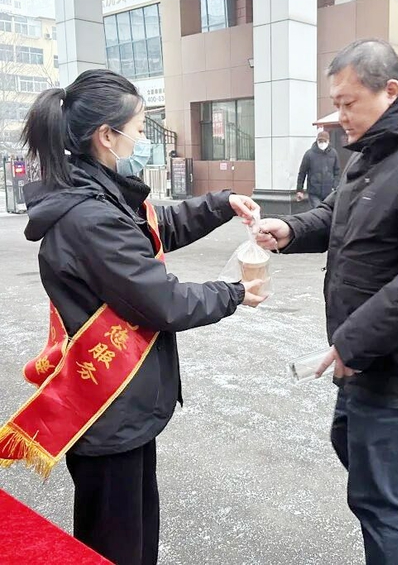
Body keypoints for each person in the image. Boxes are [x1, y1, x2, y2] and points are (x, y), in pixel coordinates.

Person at [0, 69, 265, 565]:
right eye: (141, 129)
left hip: (123, 405)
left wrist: (221, 204)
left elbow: (156, 225)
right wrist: (233, 293)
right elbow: (161, 300)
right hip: (108, 408)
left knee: (136, 538)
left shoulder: (99, 192)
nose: (145, 140)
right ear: (107, 135)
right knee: (116, 546)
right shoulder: (90, 215)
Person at [257, 39, 398, 565]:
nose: (340, 116)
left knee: (379, 496)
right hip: (365, 356)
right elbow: (334, 214)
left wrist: (353, 342)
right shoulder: (372, 153)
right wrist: (289, 229)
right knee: (364, 467)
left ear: (390, 91)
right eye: (336, 103)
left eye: (349, 103)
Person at [296, 130, 340, 208]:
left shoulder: (333, 154)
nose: (322, 143)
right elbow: (302, 173)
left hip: (329, 191)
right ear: (317, 141)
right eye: (320, 141)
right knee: (317, 210)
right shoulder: (309, 154)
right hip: (314, 191)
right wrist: (299, 190)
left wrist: (335, 186)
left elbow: (337, 171)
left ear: (328, 141)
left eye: (324, 141)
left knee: (327, 211)